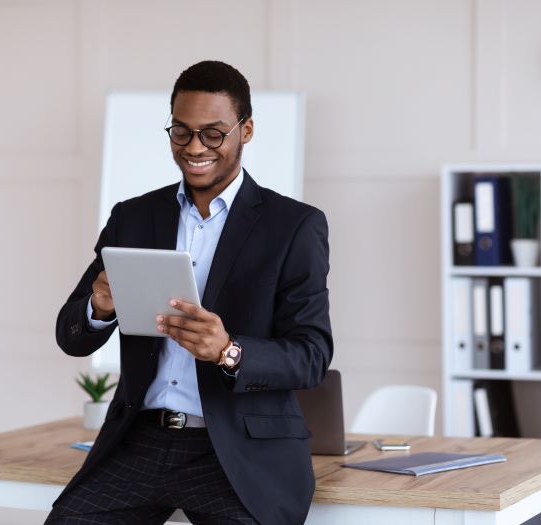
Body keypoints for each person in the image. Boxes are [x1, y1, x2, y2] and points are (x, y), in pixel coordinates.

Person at [46, 60, 333, 525]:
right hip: (137, 442)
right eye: (181, 132)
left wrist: (229, 351)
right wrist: (99, 306)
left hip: (235, 455)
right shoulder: (132, 217)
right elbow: (71, 335)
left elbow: (312, 354)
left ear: (247, 130)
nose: (195, 147)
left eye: (213, 133)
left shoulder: (295, 227)